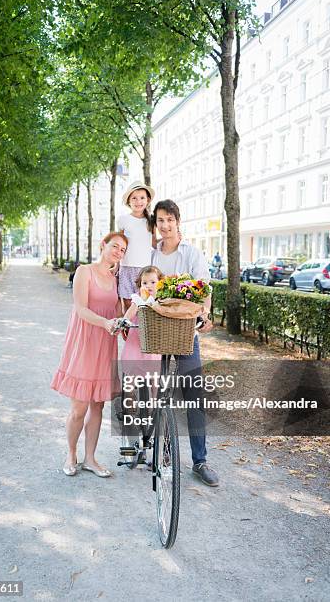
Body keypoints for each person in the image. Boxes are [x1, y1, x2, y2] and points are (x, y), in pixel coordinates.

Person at [151, 199, 219, 487]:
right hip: (158, 334)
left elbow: (204, 287)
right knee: (160, 395)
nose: (165, 226)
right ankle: (163, 453)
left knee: (194, 397)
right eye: (160, 221)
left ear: (178, 221)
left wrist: (204, 313)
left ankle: (200, 461)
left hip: (186, 335)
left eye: (169, 220)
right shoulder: (152, 255)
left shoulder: (191, 253)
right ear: (155, 225)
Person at [50, 231, 128, 477]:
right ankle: (71, 453)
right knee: (79, 408)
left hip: (106, 345)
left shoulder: (117, 278)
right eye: (115, 246)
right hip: (85, 342)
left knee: (98, 406)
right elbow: (80, 309)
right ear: (103, 245)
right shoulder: (85, 271)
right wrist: (105, 323)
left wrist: (122, 320)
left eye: (122, 250)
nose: (118, 251)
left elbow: (118, 309)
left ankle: (91, 459)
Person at [117, 181, 156, 312]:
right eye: (134, 198)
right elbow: (119, 244)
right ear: (129, 201)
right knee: (127, 303)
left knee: (143, 304)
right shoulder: (123, 220)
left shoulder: (151, 220)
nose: (138, 201)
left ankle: (141, 332)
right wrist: (116, 266)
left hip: (144, 270)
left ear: (148, 200)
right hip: (126, 267)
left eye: (142, 198)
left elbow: (155, 243)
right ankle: (128, 331)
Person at [120, 265, 163, 378]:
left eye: (153, 282)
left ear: (160, 283)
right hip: (137, 335)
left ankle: (154, 394)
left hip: (153, 338)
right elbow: (132, 310)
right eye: (144, 283)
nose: (148, 286)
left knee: (154, 370)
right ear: (140, 285)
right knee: (132, 363)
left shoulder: (161, 298)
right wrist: (124, 321)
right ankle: (131, 392)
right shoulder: (139, 297)